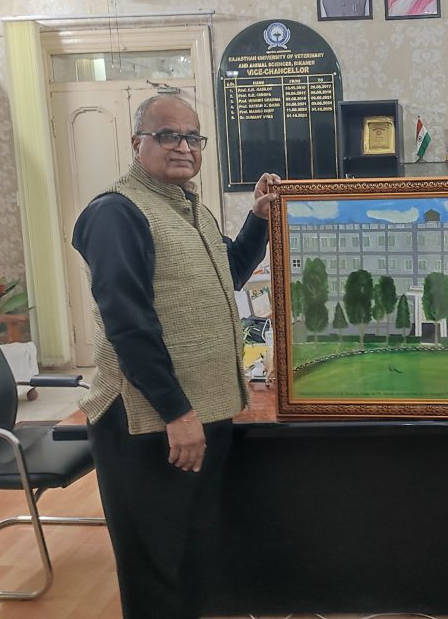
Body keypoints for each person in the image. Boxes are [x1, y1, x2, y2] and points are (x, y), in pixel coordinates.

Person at [72, 94, 280, 619]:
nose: (183, 147)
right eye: (168, 135)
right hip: (151, 423)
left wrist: (258, 217)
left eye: (192, 137)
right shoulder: (116, 213)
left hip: (201, 413)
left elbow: (230, 273)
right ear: (137, 142)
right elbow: (128, 325)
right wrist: (177, 412)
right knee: (157, 566)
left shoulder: (188, 207)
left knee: (194, 551)